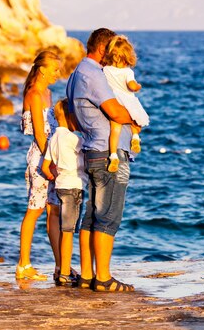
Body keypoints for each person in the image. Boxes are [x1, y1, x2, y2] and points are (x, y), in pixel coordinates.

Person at [66, 28, 137, 292]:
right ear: (104, 48)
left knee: (92, 216)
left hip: (91, 148)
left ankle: (87, 275)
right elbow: (115, 111)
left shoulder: (76, 74)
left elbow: (73, 116)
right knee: (108, 216)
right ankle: (103, 278)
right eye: (112, 49)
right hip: (109, 154)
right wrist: (136, 119)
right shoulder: (93, 74)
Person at [16, 48, 62, 280]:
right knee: (35, 210)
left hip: (51, 157)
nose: (58, 73)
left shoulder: (48, 94)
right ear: (43, 69)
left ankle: (60, 267)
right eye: (55, 69)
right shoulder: (34, 94)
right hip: (40, 158)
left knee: (54, 211)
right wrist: (49, 160)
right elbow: (40, 135)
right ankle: (24, 264)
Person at [41, 98, 88, 286]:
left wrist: (54, 176)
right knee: (68, 231)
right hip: (75, 186)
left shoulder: (53, 138)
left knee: (64, 229)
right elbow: (87, 154)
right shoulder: (74, 138)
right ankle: (65, 272)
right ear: (70, 118)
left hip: (60, 186)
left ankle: (63, 269)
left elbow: (45, 167)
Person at [102, 35, 150, 173]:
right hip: (128, 101)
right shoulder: (128, 72)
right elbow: (132, 85)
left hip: (113, 101)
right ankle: (135, 137)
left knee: (115, 129)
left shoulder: (106, 70)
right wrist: (138, 86)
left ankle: (113, 155)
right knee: (137, 121)